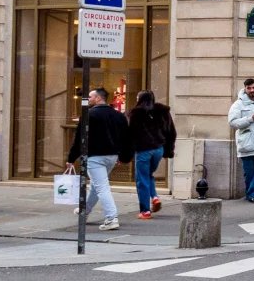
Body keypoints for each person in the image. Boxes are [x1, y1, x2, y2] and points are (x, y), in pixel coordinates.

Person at [66, 87, 131, 231]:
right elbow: (126, 138)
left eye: (90, 97)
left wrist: (71, 158)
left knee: (102, 187)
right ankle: (85, 210)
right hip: (112, 156)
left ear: (98, 98)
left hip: (95, 157)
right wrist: (123, 156)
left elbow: (79, 139)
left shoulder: (88, 115)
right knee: (97, 186)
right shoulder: (118, 116)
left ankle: (111, 218)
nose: (88, 99)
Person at [129, 90, 176, 220]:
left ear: (141, 98)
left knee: (141, 179)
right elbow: (171, 132)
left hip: (143, 150)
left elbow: (131, 134)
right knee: (148, 175)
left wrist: (125, 153)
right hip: (158, 149)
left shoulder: (136, 113)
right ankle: (154, 197)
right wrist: (169, 149)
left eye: (137, 96)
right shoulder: (163, 112)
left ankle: (145, 211)